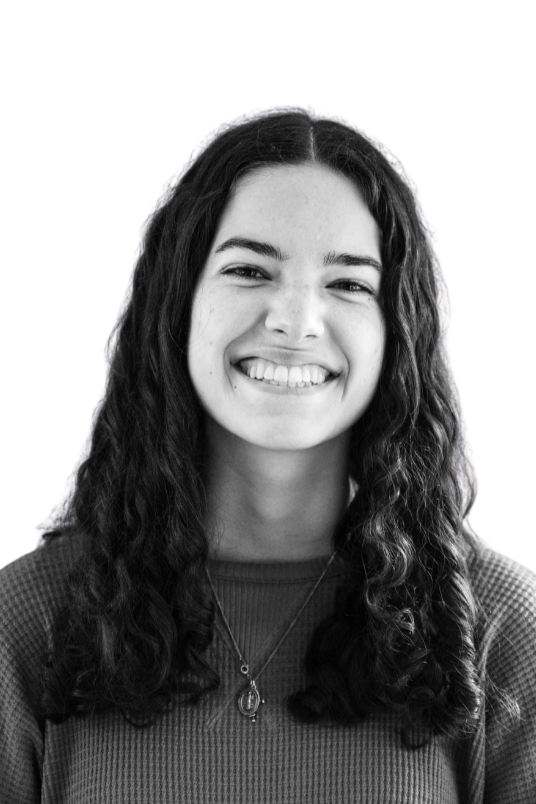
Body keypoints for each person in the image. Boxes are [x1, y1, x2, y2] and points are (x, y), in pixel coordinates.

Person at [1, 106, 535, 803]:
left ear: (395, 335)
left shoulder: (500, 628)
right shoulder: (26, 620)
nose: (293, 320)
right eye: (251, 269)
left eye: (347, 283)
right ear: (178, 304)